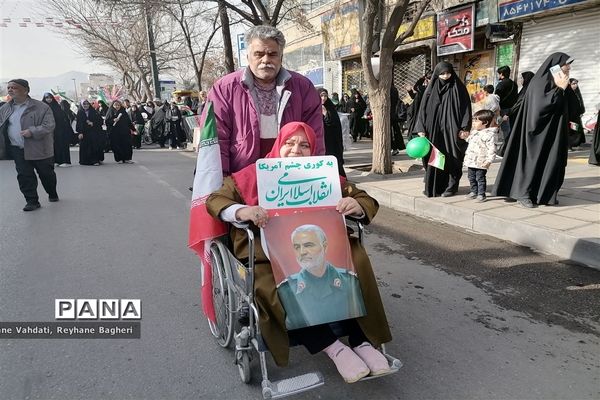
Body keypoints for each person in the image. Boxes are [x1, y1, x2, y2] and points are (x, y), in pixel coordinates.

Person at [206, 121, 392, 383]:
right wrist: (243, 211)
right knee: (282, 281)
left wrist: (355, 204)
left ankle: (362, 341)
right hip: (265, 250)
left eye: (304, 144)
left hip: (319, 246)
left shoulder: (323, 173)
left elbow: (364, 199)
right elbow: (216, 199)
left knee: (356, 261)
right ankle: (333, 347)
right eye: (289, 143)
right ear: (278, 145)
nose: (296, 149)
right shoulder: (252, 175)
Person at [205, 25, 324, 176]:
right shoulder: (224, 89)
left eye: (272, 54)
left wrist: (315, 177)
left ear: (281, 57)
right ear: (248, 56)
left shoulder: (303, 88)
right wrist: (222, 180)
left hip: (291, 178)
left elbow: (315, 139)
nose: (266, 60)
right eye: (259, 54)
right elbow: (216, 141)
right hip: (240, 177)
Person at [492, 52, 573, 208]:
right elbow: (540, 110)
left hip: (553, 133)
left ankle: (543, 194)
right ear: (555, 66)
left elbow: (569, 107)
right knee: (531, 162)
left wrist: (564, 89)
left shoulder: (561, 81)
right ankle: (524, 193)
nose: (568, 67)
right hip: (536, 134)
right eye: (566, 64)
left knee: (552, 162)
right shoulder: (539, 83)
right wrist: (560, 89)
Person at [278, 224, 365, 330]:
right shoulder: (287, 289)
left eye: (308, 245)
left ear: (325, 246)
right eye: (297, 247)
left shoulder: (349, 281)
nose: (302, 252)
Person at [414, 61, 472, 197]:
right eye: (442, 73)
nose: (446, 76)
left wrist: (465, 127)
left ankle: (451, 186)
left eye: (448, 73)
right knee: (434, 157)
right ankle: (435, 186)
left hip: (453, 131)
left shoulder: (459, 87)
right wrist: (421, 127)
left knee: (453, 158)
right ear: (437, 74)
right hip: (433, 130)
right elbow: (422, 110)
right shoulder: (431, 89)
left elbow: (466, 109)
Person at [0, 79, 58, 211]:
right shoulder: (5, 108)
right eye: (8, 87)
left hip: (39, 148)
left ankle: (52, 192)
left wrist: (32, 131)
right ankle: (32, 201)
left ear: (25, 90)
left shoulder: (41, 107)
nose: (10, 90)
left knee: (46, 174)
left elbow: (49, 125)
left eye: (14, 87)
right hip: (17, 148)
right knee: (24, 175)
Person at [460, 109, 498, 202]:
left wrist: (489, 161)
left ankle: (481, 194)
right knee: (471, 177)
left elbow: (492, 149)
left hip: (481, 161)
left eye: (476, 120)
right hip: (471, 160)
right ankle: (474, 191)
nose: (473, 123)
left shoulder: (490, 135)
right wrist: (465, 137)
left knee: (480, 178)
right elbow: (470, 140)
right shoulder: (475, 132)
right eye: (473, 120)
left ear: (485, 122)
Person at [319, 88, 346, 177]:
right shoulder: (312, 107)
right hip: (319, 140)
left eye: (325, 96)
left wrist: (326, 113)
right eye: (321, 95)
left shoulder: (330, 107)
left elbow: (334, 124)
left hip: (330, 140)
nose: (323, 98)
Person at [42, 93, 73, 167]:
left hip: (59, 130)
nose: (49, 99)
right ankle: (54, 160)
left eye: (50, 97)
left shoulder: (57, 107)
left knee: (60, 144)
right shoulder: (42, 108)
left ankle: (63, 161)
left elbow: (62, 118)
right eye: (47, 98)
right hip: (47, 131)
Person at [76, 100, 105, 166]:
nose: (86, 105)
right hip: (84, 133)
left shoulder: (94, 112)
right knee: (85, 147)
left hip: (93, 132)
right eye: (84, 104)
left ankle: (95, 160)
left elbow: (100, 121)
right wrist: (80, 132)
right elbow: (79, 123)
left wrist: (93, 123)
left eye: (87, 104)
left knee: (94, 146)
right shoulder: (80, 113)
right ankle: (85, 161)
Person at [494, 66, 518, 143]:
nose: (498, 76)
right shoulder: (514, 84)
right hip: (513, 110)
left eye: (499, 74)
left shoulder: (501, 84)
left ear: (501, 74)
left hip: (503, 110)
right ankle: (511, 145)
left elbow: (496, 99)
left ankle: (506, 148)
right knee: (511, 128)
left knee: (505, 130)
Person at [566, 78, 586, 150]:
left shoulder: (577, 92)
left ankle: (577, 143)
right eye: (573, 84)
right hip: (570, 116)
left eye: (576, 83)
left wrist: (581, 111)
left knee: (578, 129)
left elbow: (580, 102)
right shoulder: (568, 93)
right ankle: (570, 145)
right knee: (572, 130)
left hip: (577, 116)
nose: (575, 85)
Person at [390, 84, 405, 154]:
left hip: (392, 116)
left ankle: (394, 148)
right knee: (395, 132)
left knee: (393, 133)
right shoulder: (393, 89)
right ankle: (395, 148)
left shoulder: (390, 89)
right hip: (394, 116)